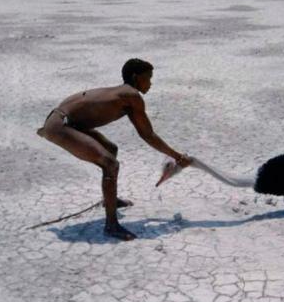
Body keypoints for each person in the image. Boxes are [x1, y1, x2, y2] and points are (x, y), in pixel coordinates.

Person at [37, 58, 192, 240]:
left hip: (62, 120)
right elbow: (148, 135)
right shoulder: (132, 96)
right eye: (148, 78)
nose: (150, 83)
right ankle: (111, 225)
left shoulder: (123, 92)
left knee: (110, 149)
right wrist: (177, 156)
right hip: (60, 126)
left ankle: (110, 200)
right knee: (110, 164)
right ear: (135, 77)